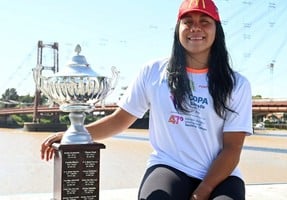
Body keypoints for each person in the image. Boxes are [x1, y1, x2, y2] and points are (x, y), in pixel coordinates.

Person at [40, 0, 253, 199]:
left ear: (217, 29)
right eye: (188, 22)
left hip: (221, 174)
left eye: (204, 22)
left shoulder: (236, 84)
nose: (195, 28)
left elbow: (232, 148)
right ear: (178, 29)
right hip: (170, 166)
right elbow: (120, 120)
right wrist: (74, 134)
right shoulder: (154, 72)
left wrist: (202, 192)